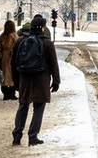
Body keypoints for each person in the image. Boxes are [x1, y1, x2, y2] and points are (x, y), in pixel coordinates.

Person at [12, 13, 61, 147]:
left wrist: (16, 81)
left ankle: (17, 135)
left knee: (23, 106)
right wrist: (56, 81)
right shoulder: (47, 43)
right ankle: (33, 136)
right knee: (38, 108)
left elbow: (13, 63)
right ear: (42, 28)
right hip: (42, 79)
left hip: (25, 79)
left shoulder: (20, 41)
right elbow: (53, 64)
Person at [0, 19, 19, 100]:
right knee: (12, 75)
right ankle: (12, 93)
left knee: (5, 76)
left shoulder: (3, 36)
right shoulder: (14, 36)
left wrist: (1, 54)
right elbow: (17, 46)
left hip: (4, 58)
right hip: (12, 58)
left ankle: (5, 94)